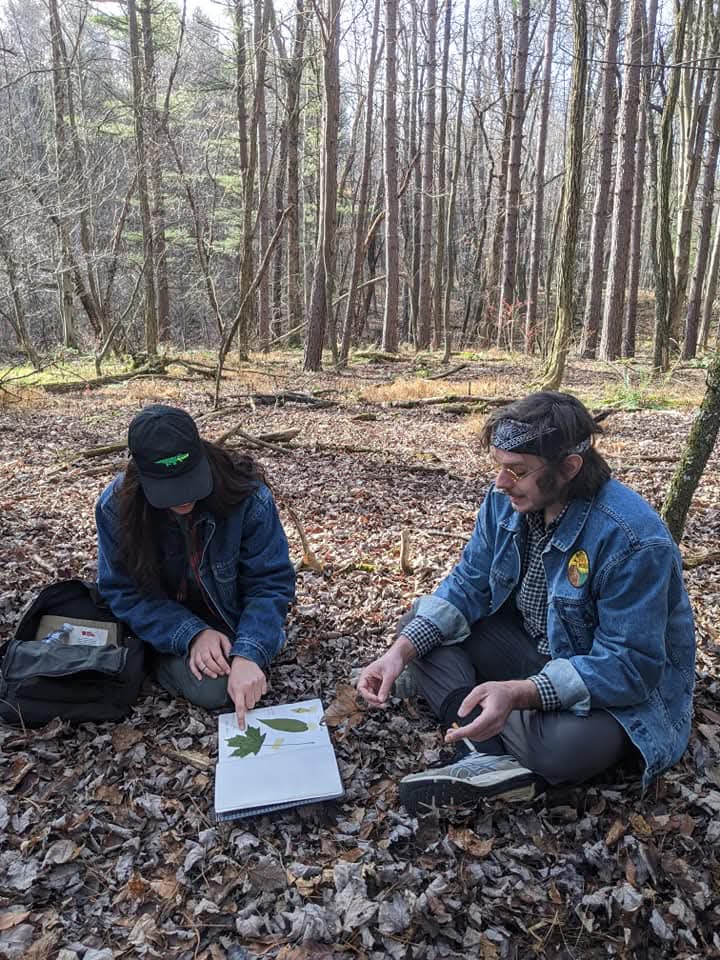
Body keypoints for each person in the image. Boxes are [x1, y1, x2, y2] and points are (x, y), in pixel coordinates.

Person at [357, 391, 696, 815]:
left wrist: (520, 693)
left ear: (569, 467)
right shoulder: (505, 501)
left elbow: (630, 665)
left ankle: (473, 722)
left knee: (563, 749)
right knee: (418, 626)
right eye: (499, 466)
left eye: (516, 470)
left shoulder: (632, 539)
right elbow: (467, 585)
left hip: (606, 686)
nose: (501, 482)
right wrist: (397, 654)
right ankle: (486, 752)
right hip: (530, 652)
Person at [96, 404, 295, 727]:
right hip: (164, 619)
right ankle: (155, 657)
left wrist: (249, 652)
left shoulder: (248, 497)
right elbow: (123, 591)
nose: (183, 499)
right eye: (168, 490)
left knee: (237, 674)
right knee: (215, 691)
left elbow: (271, 583)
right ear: (141, 475)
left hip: (230, 615)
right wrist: (191, 634)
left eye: (190, 482)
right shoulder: (115, 507)